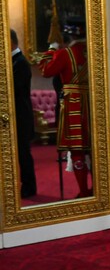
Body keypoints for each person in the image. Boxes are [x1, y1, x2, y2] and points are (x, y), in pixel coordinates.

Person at [39, 17, 92, 198]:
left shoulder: (64, 53)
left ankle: (84, 191)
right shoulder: (95, 52)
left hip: (74, 105)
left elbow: (45, 70)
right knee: (95, 148)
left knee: (77, 150)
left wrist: (51, 49)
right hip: (93, 105)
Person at [10, 29, 37, 199]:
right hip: (14, 116)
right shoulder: (11, 61)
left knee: (23, 153)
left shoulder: (20, 62)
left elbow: (14, 89)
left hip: (21, 116)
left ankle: (29, 187)